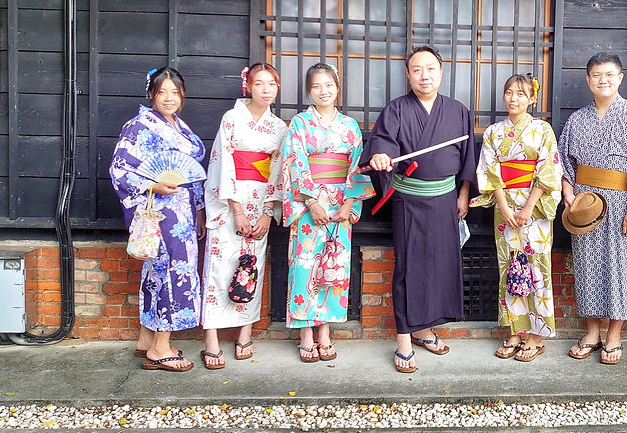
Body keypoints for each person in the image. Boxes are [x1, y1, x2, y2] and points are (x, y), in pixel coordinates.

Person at [362, 45, 477, 373]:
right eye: (417, 69)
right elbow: (383, 142)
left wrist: (463, 193)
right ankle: (403, 339)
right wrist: (380, 156)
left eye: (430, 69)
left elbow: (467, 156)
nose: (424, 76)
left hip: (445, 200)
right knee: (408, 268)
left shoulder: (457, 111)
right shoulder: (396, 109)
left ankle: (424, 330)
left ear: (441, 72)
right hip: (409, 202)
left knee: (438, 266)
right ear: (408, 75)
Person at [557, 52, 627, 365]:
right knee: (586, 266)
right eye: (597, 75)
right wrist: (567, 192)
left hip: (621, 203)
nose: (603, 80)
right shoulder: (577, 120)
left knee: (619, 267)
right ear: (588, 80)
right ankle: (592, 332)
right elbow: (563, 163)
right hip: (585, 205)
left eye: (609, 74)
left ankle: (614, 334)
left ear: (620, 78)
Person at [110, 67, 206, 372]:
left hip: (183, 212)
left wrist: (199, 209)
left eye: (175, 92)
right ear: (151, 93)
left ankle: (146, 340)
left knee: (159, 272)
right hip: (160, 213)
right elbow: (119, 169)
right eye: (162, 91)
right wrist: (152, 185)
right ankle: (161, 349)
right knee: (168, 271)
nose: (168, 98)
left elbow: (190, 173)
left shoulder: (179, 126)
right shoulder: (139, 126)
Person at [281, 63, 375, 363]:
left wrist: (350, 203)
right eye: (317, 86)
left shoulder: (349, 126)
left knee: (333, 266)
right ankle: (305, 333)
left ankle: (325, 331)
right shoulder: (300, 123)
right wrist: (311, 202)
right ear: (309, 91)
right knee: (304, 266)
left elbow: (357, 166)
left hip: (340, 204)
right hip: (309, 205)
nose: (324, 91)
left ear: (337, 88)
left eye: (329, 85)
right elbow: (294, 162)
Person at [199, 63, 288, 369]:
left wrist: (268, 212)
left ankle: (244, 334)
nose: (266, 89)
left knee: (251, 266)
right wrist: (236, 209)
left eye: (271, 84)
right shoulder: (232, 118)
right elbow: (222, 162)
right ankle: (211, 339)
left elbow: (278, 170)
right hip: (229, 201)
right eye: (259, 83)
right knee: (219, 266)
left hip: (260, 200)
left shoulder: (279, 127)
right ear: (248, 86)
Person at [470, 73, 562, 362]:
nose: (514, 98)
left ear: (532, 99)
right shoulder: (493, 132)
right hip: (505, 207)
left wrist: (528, 207)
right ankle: (514, 331)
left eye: (521, 94)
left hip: (536, 208)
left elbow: (548, 169)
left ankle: (536, 335)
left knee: (537, 266)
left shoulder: (542, 129)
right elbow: (489, 170)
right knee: (509, 267)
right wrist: (505, 207)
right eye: (509, 92)